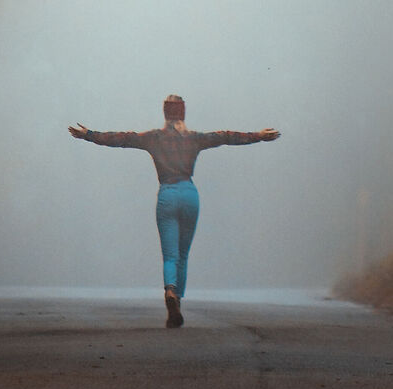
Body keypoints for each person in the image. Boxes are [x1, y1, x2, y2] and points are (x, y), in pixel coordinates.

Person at [69, 93, 280, 326]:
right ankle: (177, 300)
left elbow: (121, 139)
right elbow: (227, 136)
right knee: (182, 254)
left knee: (169, 254)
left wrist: (88, 135)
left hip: (167, 194)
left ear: (165, 114)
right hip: (190, 194)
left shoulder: (154, 138)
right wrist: (259, 136)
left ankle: (170, 291)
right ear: (183, 114)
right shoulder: (195, 139)